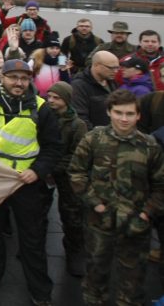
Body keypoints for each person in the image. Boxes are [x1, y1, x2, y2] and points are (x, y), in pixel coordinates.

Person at [0, 58, 61, 304]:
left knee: (32, 238)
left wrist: (37, 171)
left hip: (24, 183)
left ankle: (40, 290)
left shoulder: (41, 108)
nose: (19, 83)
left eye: (24, 78)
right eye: (14, 77)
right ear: (2, 78)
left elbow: (53, 147)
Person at [69, 89, 164, 306]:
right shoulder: (93, 139)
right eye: (118, 112)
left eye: (130, 114)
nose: (124, 119)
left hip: (135, 225)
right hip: (98, 223)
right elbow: (77, 173)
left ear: (138, 115)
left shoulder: (150, 146)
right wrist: (95, 203)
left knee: (132, 282)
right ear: (109, 112)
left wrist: (147, 213)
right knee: (95, 276)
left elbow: (160, 185)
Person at [44, 80, 87, 277]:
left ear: (67, 100)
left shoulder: (78, 125)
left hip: (65, 174)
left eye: (56, 98)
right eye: (50, 96)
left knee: (71, 214)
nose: (51, 101)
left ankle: (74, 251)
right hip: (44, 170)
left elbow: (76, 153)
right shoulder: (44, 117)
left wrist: (54, 169)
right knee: (38, 212)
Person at [71, 50, 119, 128]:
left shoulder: (112, 83)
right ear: (96, 65)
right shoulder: (79, 86)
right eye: (111, 68)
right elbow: (80, 118)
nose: (115, 71)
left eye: (117, 68)